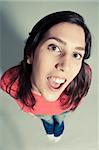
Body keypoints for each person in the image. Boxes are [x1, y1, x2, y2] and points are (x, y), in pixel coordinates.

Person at [0, 11, 92, 142]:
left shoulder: (83, 75)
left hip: (64, 110)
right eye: (54, 47)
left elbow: (80, 94)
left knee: (60, 120)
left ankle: (58, 130)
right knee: (47, 120)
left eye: (76, 55)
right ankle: (50, 130)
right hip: (40, 112)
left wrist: (73, 107)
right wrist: (27, 109)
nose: (65, 66)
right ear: (30, 54)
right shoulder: (10, 80)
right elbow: (15, 95)